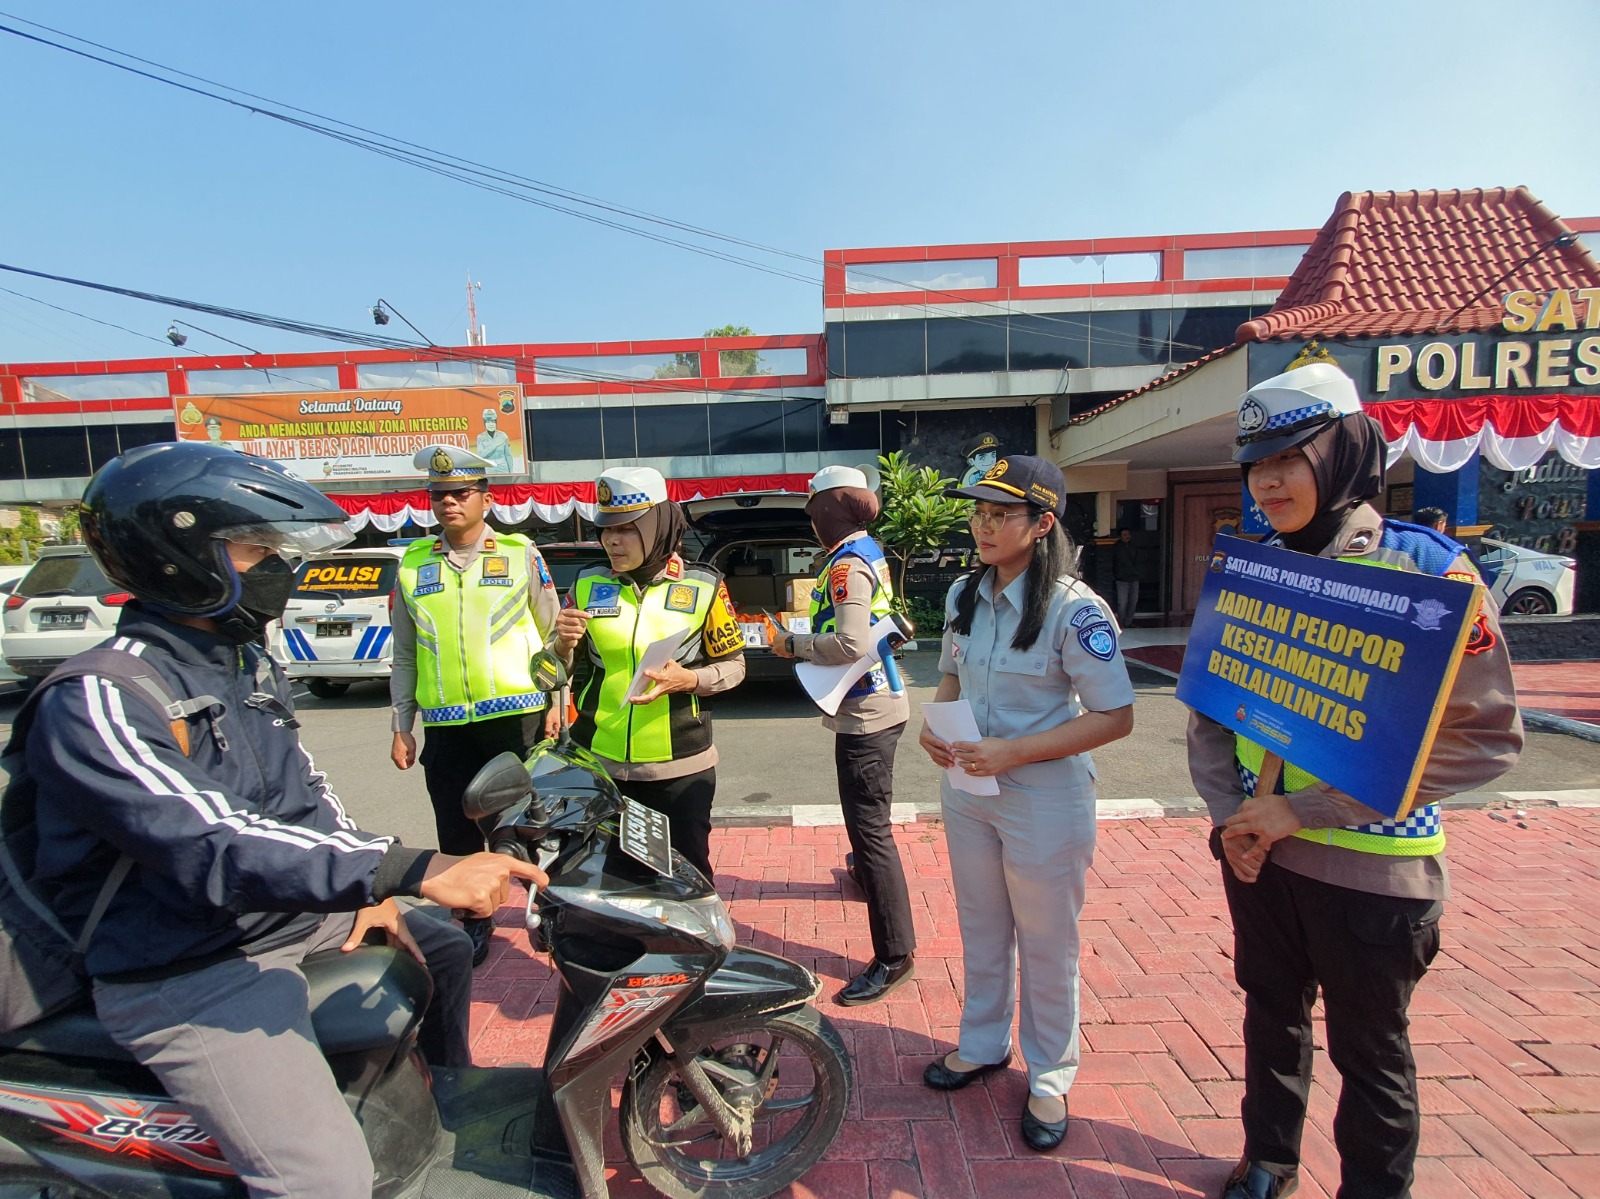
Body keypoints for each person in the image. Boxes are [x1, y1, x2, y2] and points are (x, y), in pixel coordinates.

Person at [25, 442, 545, 1199]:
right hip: (191, 962)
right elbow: (214, 838)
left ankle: (431, 1103)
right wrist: (409, 867)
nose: (276, 565)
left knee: (444, 945)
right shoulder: (103, 696)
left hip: (280, 918)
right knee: (324, 1179)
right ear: (179, 556)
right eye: (254, 547)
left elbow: (305, 795)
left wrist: (369, 889)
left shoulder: (242, 663)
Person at [1187, 363, 1523, 1199]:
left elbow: (1484, 738)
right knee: (1270, 1016)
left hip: (1376, 872)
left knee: (1370, 1051)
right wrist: (1238, 819)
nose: (1268, 480)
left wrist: (1302, 810)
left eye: (1291, 456)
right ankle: (1268, 1160)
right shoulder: (1249, 567)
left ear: (1344, 450)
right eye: (1255, 462)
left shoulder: (1428, 574)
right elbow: (1209, 711)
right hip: (1260, 859)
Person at [917, 455, 1135, 1152]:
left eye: (999, 514)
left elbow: (1115, 715)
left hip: (1042, 798)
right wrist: (936, 721)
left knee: (1046, 942)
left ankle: (1050, 1074)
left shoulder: (1075, 610)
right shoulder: (963, 593)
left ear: (1041, 524)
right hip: (970, 791)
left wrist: (1015, 751)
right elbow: (951, 673)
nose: (982, 525)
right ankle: (982, 1043)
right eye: (977, 512)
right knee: (981, 926)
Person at [389, 444, 560, 965]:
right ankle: (473, 921)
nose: (448, 503)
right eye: (438, 495)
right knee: (457, 830)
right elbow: (403, 653)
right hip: (446, 727)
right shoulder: (413, 564)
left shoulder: (519, 553)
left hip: (517, 718)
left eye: (460, 493)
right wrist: (402, 725)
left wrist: (559, 701)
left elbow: (552, 633)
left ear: (484, 498)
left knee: (532, 824)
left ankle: (549, 911)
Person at [551, 467, 745, 880]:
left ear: (657, 525)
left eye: (626, 529)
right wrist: (562, 646)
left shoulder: (704, 586)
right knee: (613, 880)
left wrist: (689, 680)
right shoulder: (585, 585)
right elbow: (552, 672)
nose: (611, 541)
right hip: (601, 766)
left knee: (687, 877)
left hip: (680, 768)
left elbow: (734, 667)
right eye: (605, 530)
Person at [770, 465, 916, 1006]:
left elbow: (851, 643)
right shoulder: (867, 552)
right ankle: (863, 875)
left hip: (866, 712)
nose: (811, 524)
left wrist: (793, 645)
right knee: (867, 822)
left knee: (872, 830)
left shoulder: (845, 565)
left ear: (829, 510)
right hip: (876, 702)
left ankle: (894, 955)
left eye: (814, 512)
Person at [1111, 527, 1139, 626]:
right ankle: (1121, 622)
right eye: (1124, 535)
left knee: (1133, 601)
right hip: (1121, 579)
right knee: (1122, 602)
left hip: (1134, 577)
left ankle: (1128, 622)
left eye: (1128, 534)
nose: (1127, 536)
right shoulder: (1116, 548)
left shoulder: (1133, 546)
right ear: (1120, 536)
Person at [476, 408, 515, 473]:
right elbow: (481, 455)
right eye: (488, 422)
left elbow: (508, 455)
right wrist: (494, 445)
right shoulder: (480, 437)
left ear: (496, 422)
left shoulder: (503, 435)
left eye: (493, 421)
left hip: (503, 469)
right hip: (489, 469)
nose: (491, 424)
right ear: (484, 423)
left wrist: (511, 472)